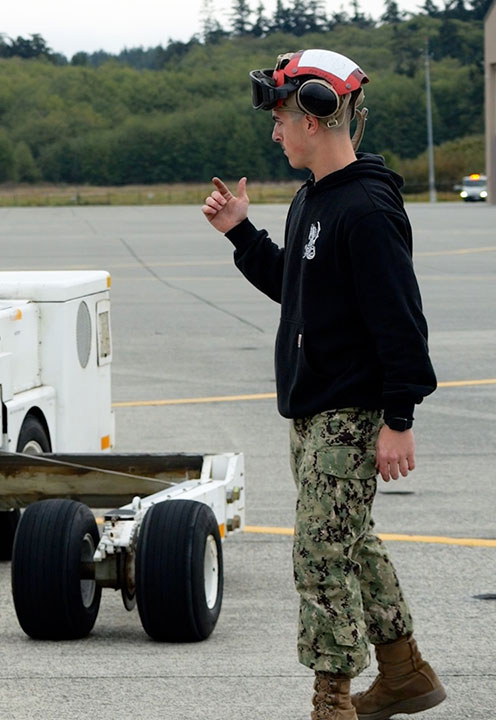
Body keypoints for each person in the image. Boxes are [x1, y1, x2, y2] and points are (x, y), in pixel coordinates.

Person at [201, 49, 446, 720]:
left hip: (353, 410)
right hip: (313, 410)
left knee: (318, 555)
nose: (275, 133)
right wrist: (241, 234)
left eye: (280, 118)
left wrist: (399, 418)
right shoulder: (314, 198)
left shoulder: (365, 209)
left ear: (314, 113)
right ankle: (405, 673)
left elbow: (402, 324)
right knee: (350, 542)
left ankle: (331, 701)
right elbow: (297, 288)